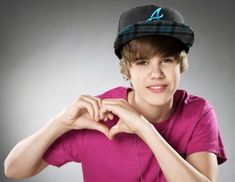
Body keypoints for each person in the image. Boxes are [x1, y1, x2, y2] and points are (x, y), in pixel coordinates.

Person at [4, 4, 227, 182]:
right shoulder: (97, 115)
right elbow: (13, 170)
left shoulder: (198, 111)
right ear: (127, 69)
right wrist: (61, 123)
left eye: (167, 60)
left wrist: (143, 128)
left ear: (181, 65)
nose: (156, 73)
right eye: (142, 62)